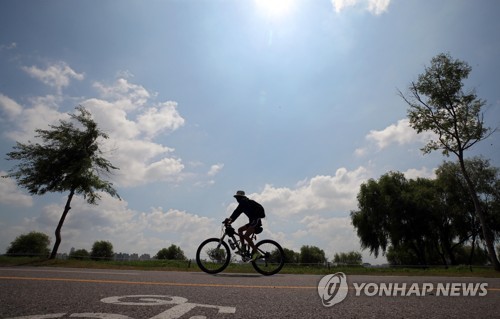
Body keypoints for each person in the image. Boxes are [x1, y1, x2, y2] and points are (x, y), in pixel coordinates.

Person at [224, 190, 265, 262]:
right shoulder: (242, 204)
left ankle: (257, 253)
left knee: (246, 236)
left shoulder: (244, 202)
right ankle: (243, 248)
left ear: (241, 197)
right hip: (252, 222)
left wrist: (230, 220)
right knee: (240, 230)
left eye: (237, 197)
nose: (237, 199)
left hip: (256, 221)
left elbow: (236, 212)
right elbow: (236, 214)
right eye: (236, 198)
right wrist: (230, 221)